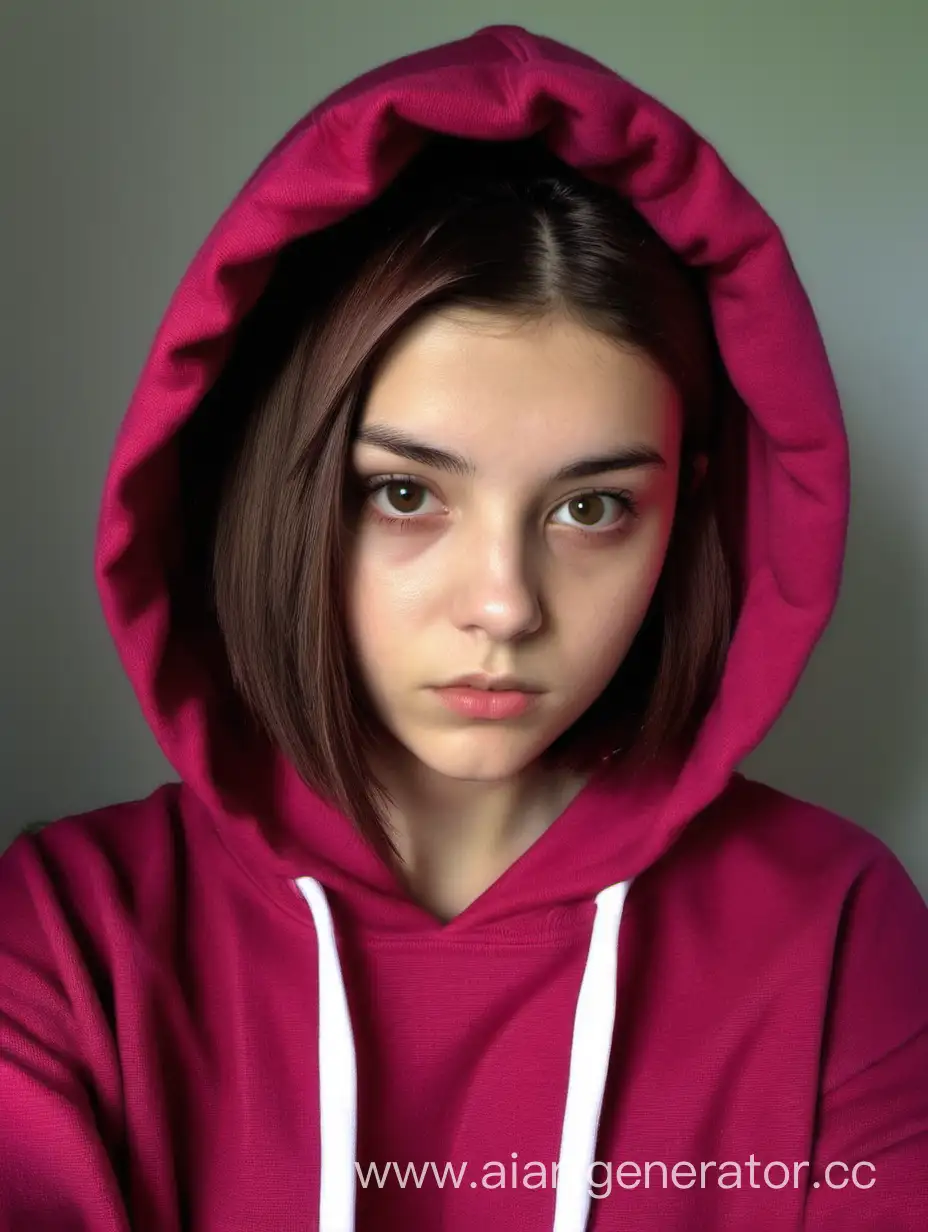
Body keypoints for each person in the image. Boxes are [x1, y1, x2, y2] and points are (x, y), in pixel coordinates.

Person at [1, 22, 926, 1232]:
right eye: (403, 493)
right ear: (275, 488)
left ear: (685, 515)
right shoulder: (68, 940)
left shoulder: (837, 929)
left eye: (591, 508)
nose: (505, 604)